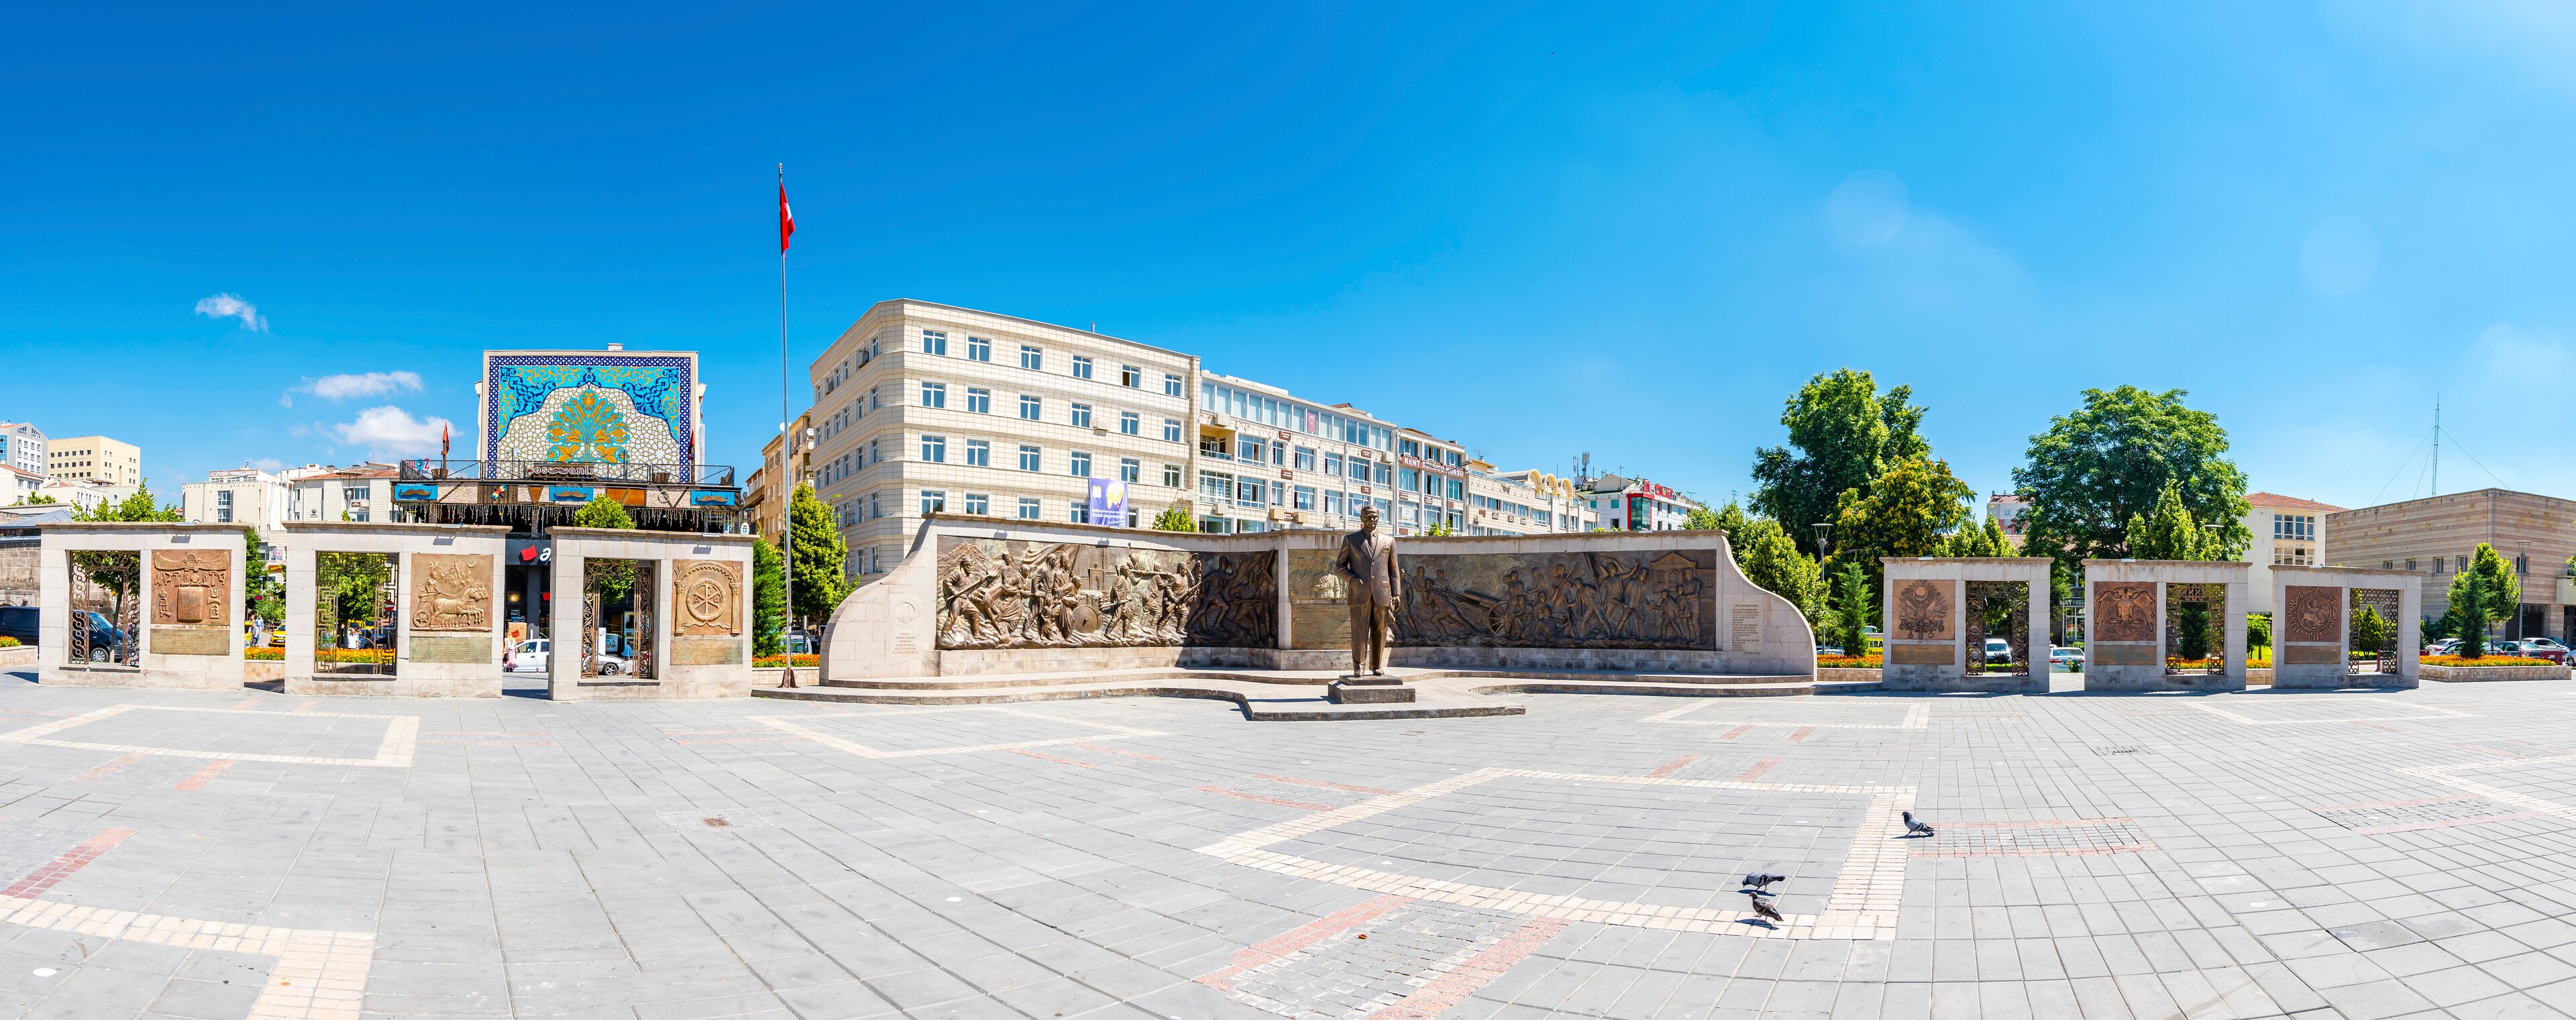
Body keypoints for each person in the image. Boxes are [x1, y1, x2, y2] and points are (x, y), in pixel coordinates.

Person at [1331, 505, 1402, 676]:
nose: (1371, 521)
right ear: (1361, 519)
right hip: (1359, 593)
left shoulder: (1389, 540)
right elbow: (1339, 567)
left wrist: (1397, 593)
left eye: (1374, 517)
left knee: (1380, 631)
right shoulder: (1351, 540)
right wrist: (1353, 579)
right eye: (1368, 517)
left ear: (1379, 518)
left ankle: (1376, 665)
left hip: (1382, 594)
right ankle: (1359, 666)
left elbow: (1394, 570)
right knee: (1359, 632)